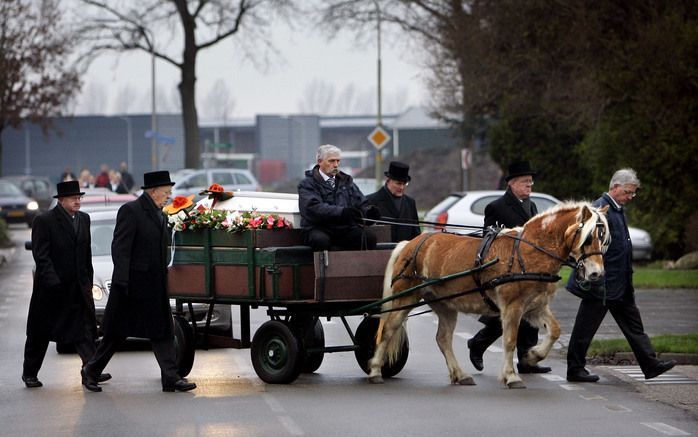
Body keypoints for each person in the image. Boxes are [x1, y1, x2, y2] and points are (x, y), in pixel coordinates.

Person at [82, 171, 196, 393]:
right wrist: (123, 283)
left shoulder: (160, 213)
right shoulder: (131, 211)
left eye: (170, 193)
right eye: (166, 193)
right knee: (115, 334)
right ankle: (91, 371)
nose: (168, 197)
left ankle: (171, 377)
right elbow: (120, 249)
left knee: (162, 331)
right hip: (132, 286)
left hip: (154, 284)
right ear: (153, 191)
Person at [565, 168, 676, 382]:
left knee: (635, 327)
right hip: (601, 284)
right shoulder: (599, 208)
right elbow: (589, 247)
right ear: (615, 187)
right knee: (584, 329)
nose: (630, 197)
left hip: (620, 284)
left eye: (633, 193)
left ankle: (650, 365)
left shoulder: (617, 208)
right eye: (627, 192)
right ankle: (574, 369)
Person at [22, 181, 111, 388]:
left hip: (78, 287)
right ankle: (30, 373)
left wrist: (88, 281)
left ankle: (90, 370)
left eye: (79, 198)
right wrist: (53, 282)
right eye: (73, 199)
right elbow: (41, 256)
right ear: (61, 200)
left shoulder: (84, 219)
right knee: (40, 333)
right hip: (51, 290)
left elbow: (85, 253)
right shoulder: (45, 221)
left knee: (84, 330)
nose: (78, 202)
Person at [467, 160, 552, 374]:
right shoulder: (496, 207)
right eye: (525, 182)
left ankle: (526, 361)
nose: (529, 186)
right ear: (512, 183)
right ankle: (477, 344)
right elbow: (489, 238)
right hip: (504, 271)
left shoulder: (531, 205)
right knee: (506, 316)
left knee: (527, 314)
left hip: (526, 269)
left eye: (531, 183)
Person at [298, 144, 380, 251]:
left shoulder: (346, 181)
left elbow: (360, 202)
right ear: (319, 161)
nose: (336, 165)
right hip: (318, 228)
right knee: (321, 240)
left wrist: (368, 212)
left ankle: (360, 267)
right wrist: (341, 212)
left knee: (369, 238)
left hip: (344, 229)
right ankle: (323, 267)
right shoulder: (307, 184)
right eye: (331, 161)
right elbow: (313, 208)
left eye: (338, 161)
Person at [366, 161, 421, 242]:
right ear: (388, 181)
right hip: (381, 252)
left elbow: (416, 234)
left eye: (404, 184)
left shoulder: (410, 203)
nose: (402, 187)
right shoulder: (371, 201)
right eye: (398, 183)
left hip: (404, 252)